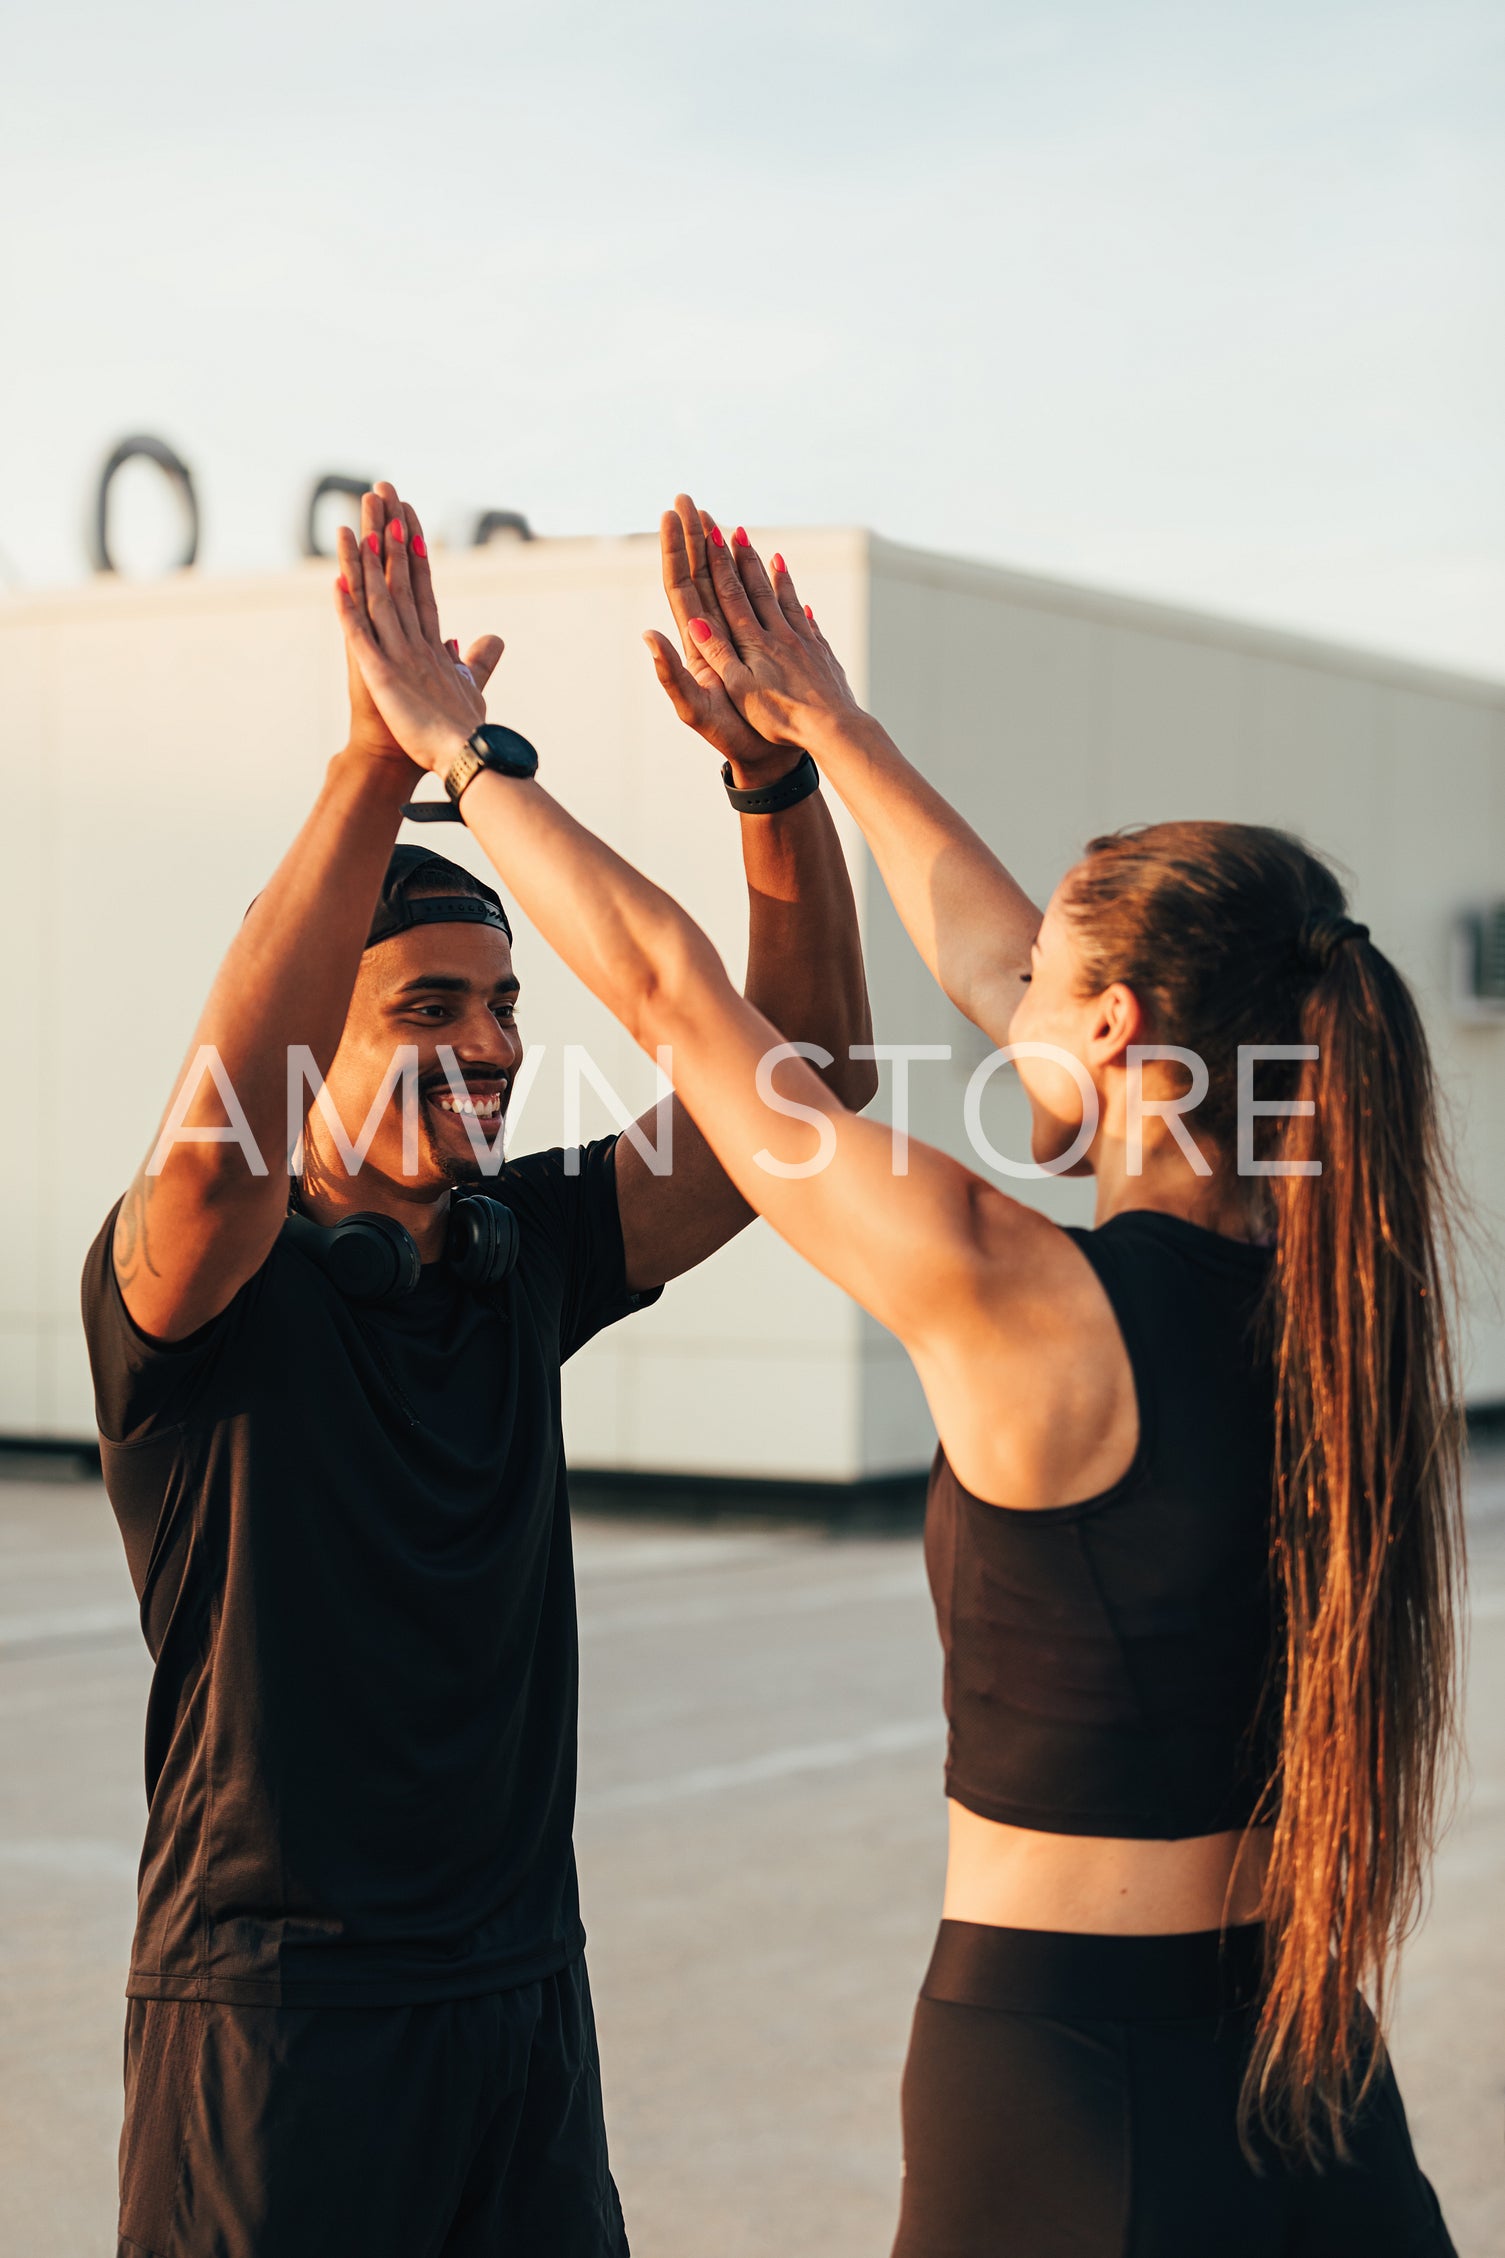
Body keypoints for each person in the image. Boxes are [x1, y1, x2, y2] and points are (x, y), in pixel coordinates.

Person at [335, 490, 1465, 2255]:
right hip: (1311, 2081)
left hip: (1068, 2094)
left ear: (1111, 1032)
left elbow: (676, 997)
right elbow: (1004, 957)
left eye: (1045, 982)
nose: (1002, 988)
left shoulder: (1017, 1297)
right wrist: (825, 735)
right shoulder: (1341, 1300)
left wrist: (463, 757)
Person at [82, 482, 877, 2258]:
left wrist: (772, 779)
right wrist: (377, 766)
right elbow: (217, 1149)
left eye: (504, 1005)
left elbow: (808, 1076)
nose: (493, 1045)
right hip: (279, 2025)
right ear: (317, 1041)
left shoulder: (524, 1252)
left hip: (524, 1999)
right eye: (428, 1010)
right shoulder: (204, 1284)